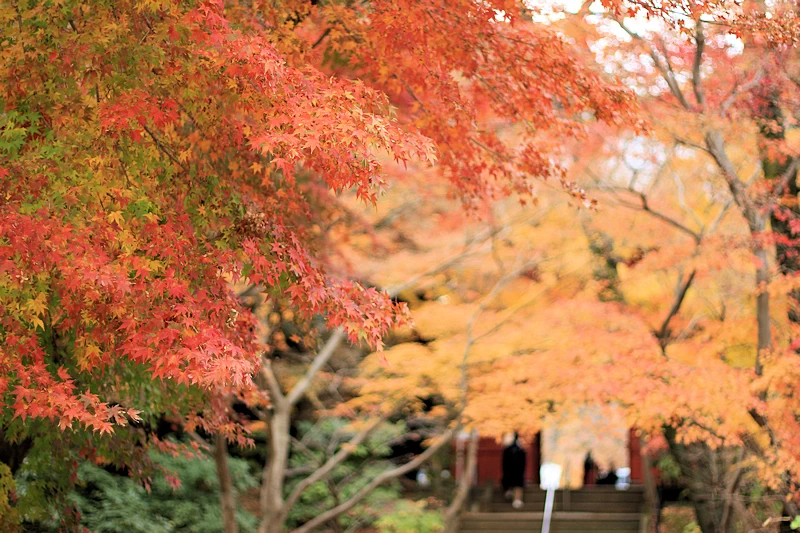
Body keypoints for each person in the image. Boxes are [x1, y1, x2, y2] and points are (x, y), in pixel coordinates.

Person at [501, 432, 527, 509]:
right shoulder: (518, 450)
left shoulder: (512, 450)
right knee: (517, 483)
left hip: (513, 470)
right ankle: (516, 498)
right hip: (516, 471)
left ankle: (516, 498)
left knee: (517, 483)